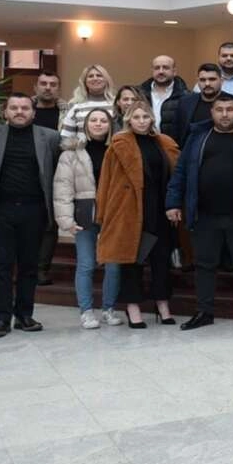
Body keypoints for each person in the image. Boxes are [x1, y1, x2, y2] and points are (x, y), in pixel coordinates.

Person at [166, 93, 233, 329]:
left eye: (229, 109)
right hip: (204, 214)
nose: (224, 114)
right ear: (212, 112)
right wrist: (173, 203)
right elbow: (181, 172)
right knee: (204, 265)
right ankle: (204, 312)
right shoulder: (197, 137)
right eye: (219, 110)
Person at [0, 93, 61, 337]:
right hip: (0, 210)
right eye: (14, 107)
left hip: (34, 210)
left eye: (25, 108)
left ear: (33, 113)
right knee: (1, 266)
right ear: (5, 112)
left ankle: (25, 315)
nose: (19, 112)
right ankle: (1, 319)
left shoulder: (50, 137)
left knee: (29, 266)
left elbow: (57, 174)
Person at [98, 103, 180, 327]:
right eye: (136, 117)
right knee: (131, 260)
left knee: (161, 260)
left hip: (161, 210)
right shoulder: (119, 145)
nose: (142, 121)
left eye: (145, 116)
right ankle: (132, 306)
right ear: (128, 120)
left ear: (152, 119)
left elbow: (176, 175)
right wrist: (103, 215)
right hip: (130, 209)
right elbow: (106, 181)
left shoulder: (165, 143)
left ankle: (162, 303)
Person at [54, 107, 120, 329]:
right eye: (94, 120)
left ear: (110, 125)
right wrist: (66, 220)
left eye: (103, 120)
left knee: (113, 265)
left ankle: (109, 309)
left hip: (113, 214)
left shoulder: (117, 150)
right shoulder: (71, 153)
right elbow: (62, 187)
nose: (98, 124)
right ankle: (86, 311)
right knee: (86, 264)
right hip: (84, 213)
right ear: (85, 125)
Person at [167, 63, 223, 146]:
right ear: (198, 81)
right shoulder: (185, 103)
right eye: (202, 80)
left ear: (221, 81)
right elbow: (176, 133)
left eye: (212, 79)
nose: (207, 83)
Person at [60, 64, 116, 144]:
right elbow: (66, 137)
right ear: (84, 81)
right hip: (82, 151)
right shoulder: (75, 104)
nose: (95, 78)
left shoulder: (117, 104)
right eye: (90, 76)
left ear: (106, 80)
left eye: (99, 75)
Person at [139, 56, 186, 132]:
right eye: (157, 68)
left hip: (173, 139)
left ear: (174, 72)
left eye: (165, 68)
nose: (161, 71)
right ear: (152, 71)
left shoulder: (185, 96)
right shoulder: (139, 94)